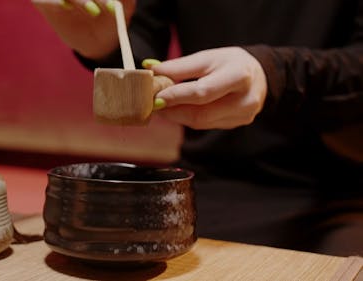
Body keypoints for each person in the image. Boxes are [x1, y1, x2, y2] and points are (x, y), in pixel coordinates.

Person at [32, 0, 363, 256]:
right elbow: (144, 50)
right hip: (206, 185)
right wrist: (105, 44)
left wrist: (276, 74)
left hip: (335, 193)